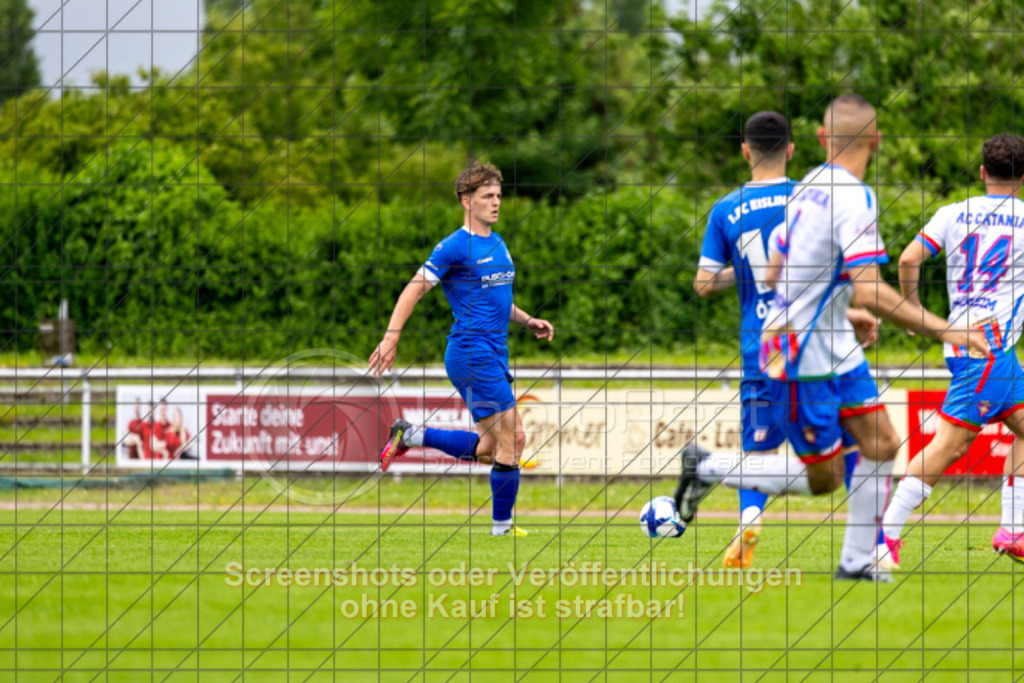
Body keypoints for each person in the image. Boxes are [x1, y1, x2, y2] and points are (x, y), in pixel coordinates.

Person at [677, 94, 989, 581]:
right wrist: (948, 328)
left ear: (822, 140)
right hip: (799, 353)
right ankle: (707, 468)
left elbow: (780, 268)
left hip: (826, 342)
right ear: (877, 141)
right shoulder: (854, 194)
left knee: (884, 444)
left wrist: (845, 312)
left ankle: (856, 563)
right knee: (825, 479)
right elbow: (869, 284)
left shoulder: (808, 187)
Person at [369, 162, 554, 537]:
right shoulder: (453, 246)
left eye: (499, 195)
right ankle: (502, 530)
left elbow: (497, 301)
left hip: (493, 354)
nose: (496, 202)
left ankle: (411, 435)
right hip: (471, 353)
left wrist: (527, 319)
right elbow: (413, 288)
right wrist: (392, 337)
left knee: (490, 447)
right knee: (514, 438)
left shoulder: (498, 242)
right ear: (466, 201)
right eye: (488, 196)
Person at [883, 133, 1024, 566]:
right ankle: (884, 535)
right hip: (989, 345)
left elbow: (908, 260)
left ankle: (1013, 530)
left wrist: (912, 310)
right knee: (949, 445)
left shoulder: (953, 213)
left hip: (964, 340)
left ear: (983, 172)